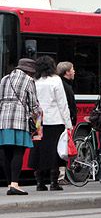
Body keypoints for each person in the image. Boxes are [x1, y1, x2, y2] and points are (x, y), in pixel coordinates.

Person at [28, 56, 71, 191]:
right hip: (55, 120)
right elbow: (62, 103)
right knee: (55, 151)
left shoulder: (33, 80)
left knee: (38, 150)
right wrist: (68, 123)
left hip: (38, 120)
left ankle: (39, 182)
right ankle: (54, 182)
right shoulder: (56, 80)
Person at [0, 58, 39, 195]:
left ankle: (10, 183)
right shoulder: (28, 81)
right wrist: (37, 115)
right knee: (18, 151)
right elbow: (34, 104)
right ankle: (15, 184)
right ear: (29, 71)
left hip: (3, 119)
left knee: (6, 152)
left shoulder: (4, 79)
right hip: (19, 119)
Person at [56, 61, 77, 185]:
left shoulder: (61, 83)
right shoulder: (65, 86)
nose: (74, 71)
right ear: (67, 72)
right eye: (72, 69)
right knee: (63, 148)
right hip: (63, 121)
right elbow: (68, 105)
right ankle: (61, 176)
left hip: (58, 120)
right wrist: (71, 121)